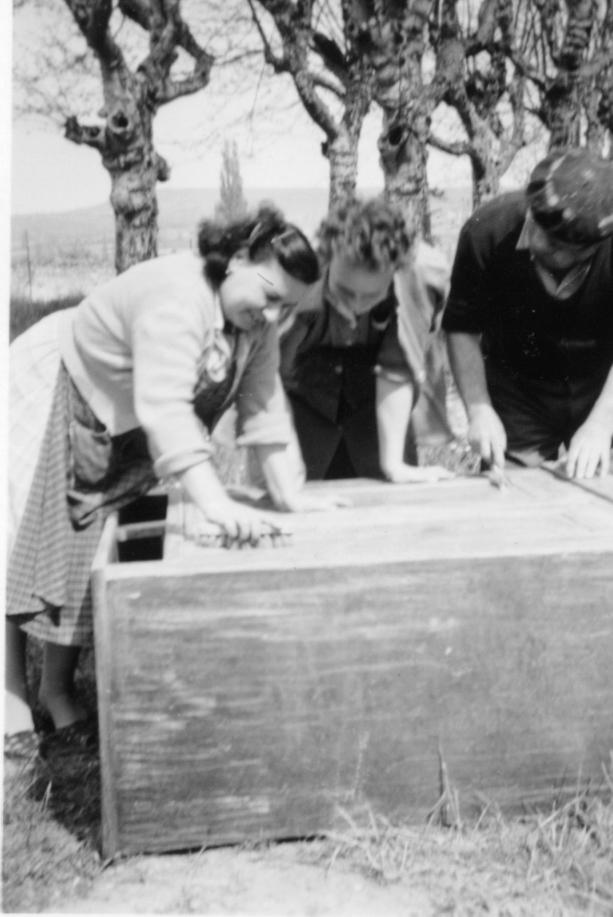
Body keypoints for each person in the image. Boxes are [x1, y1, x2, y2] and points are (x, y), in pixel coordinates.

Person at [5, 204, 329, 761]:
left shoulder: (255, 325)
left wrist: (291, 495)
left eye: (289, 307)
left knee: (88, 553)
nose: (275, 315)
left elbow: (265, 405)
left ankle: (56, 691)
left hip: (127, 420)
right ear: (236, 259)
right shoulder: (178, 297)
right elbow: (167, 409)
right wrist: (217, 505)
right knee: (22, 543)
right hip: (64, 384)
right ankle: (9, 696)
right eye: (270, 295)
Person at [443, 147, 613, 478]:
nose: (541, 245)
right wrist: (479, 409)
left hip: (601, 385)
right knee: (511, 491)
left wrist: (602, 425)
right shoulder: (487, 230)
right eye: (537, 228)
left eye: (562, 248)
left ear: (593, 247)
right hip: (518, 390)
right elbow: (463, 328)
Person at [278, 196, 455, 483]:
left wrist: (394, 465)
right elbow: (269, 374)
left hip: (375, 397)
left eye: (372, 295)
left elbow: (397, 367)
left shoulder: (420, 273)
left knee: (390, 491)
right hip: (299, 390)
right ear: (328, 258)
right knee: (285, 484)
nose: (356, 306)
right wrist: (281, 458)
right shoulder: (295, 267)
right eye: (345, 292)